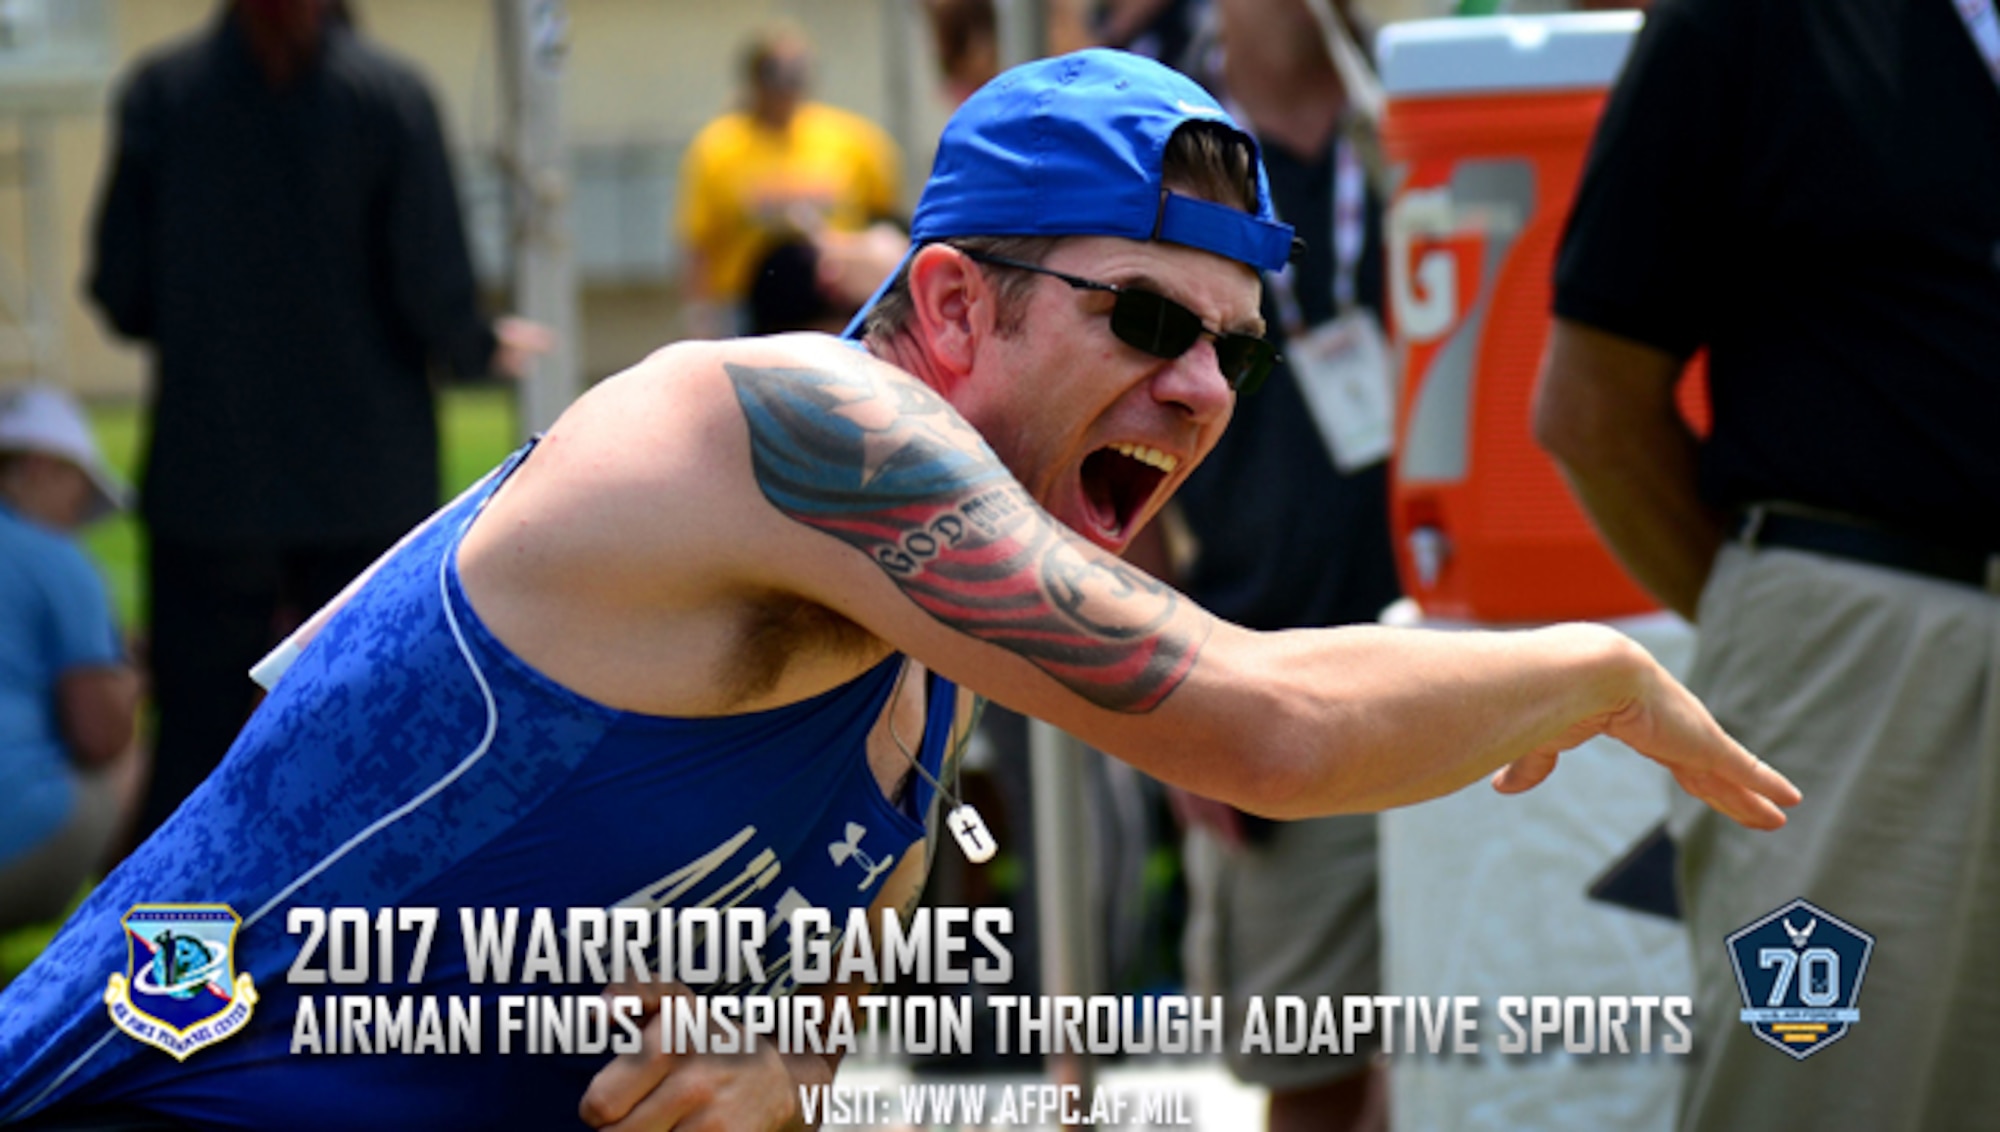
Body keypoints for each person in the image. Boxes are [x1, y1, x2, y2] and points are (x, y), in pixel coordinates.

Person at [1, 49, 1797, 1132]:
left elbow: (876, 888)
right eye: (1145, 319)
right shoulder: (794, 427)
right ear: (949, 308)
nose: (1196, 392)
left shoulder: (931, 639)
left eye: (1229, 353)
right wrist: (1602, 674)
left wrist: (791, 1033)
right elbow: (1259, 721)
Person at [1532, 0, 1999, 1128]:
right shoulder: (1745, 23)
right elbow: (1590, 410)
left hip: (1871, 635)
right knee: (1813, 1096)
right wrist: (1785, 620)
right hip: (1861, 659)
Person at [85, 0, 545, 852]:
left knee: (195, 739)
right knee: (370, 734)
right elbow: (429, 283)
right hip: (364, 478)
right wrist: (476, 346)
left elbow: (121, 289)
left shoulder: (162, 93)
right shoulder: (391, 96)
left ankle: (162, 970)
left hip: (210, 474)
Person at [1162, 1, 1397, 1127]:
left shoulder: (1411, 119)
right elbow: (1111, 474)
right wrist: (1169, 713)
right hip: (1275, 685)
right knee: (1312, 1080)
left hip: (1455, 650)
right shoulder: (1166, 147)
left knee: (1483, 1057)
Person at [0, 387, 143, 937]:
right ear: (40, 468)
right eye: (79, 490)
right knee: (133, 756)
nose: (78, 512)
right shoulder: (56, 559)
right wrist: (132, 681)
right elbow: (99, 735)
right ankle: (121, 951)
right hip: (19, 842)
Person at [674, 21, 904, 340]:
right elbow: (699, 245)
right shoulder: (718, 149)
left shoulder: (853, 140)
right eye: (776, 72)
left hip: (833, 301)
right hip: (749, 309)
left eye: (798, 71)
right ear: (754, 77)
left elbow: (886, 225)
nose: (787, 84)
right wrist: (700, 317)